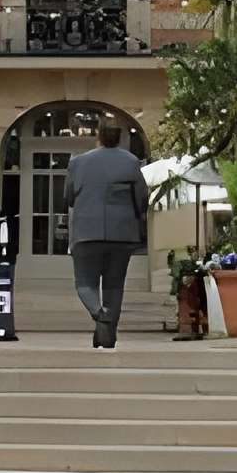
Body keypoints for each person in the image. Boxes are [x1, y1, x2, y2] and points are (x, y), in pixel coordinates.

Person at [62, 123, 150, 349]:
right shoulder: (131, 161)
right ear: (119, 138)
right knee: (114, 285)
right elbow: (142, 197)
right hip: (122, 232)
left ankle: (101, 316)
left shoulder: (78, 163)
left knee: (85, 283)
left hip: (86, 231)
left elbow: (69, 197)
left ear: (98, 138)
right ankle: (107, 333)